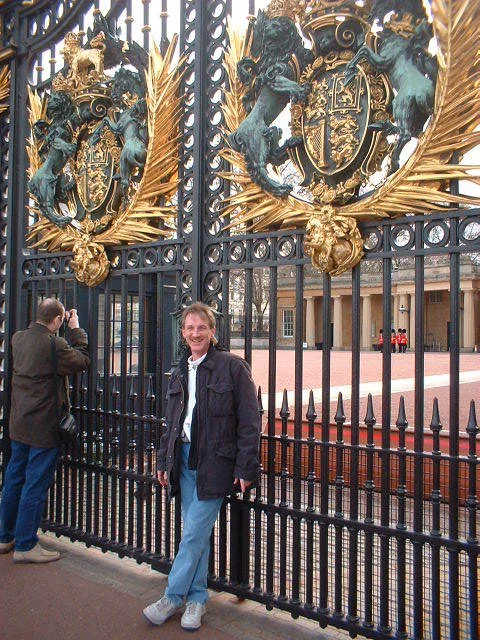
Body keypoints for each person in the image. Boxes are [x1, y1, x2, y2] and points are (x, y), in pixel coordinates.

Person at [143, 302, 260, 631]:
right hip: (183, 458)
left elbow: (250, 422)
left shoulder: (233, 368)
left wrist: (246, 469)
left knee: (193, 533)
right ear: (183, 333)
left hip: (216, 462)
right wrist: (164, 460)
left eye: (202, 328)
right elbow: (171, 421)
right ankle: (197, 599)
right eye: (190, 328)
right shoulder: (180, 369)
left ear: (212, 332)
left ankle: (172, 596)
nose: (196, 333)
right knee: (197, 536)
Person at [0, 298, 89, 563]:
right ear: (58, 319)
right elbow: (82, 360)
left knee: (14, 478)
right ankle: (26, 544)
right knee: (35, 483)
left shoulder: (18, 338)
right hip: (43, 427)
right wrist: (75, 330)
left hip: (19, 423)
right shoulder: (54, 344)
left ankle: (5, 536)